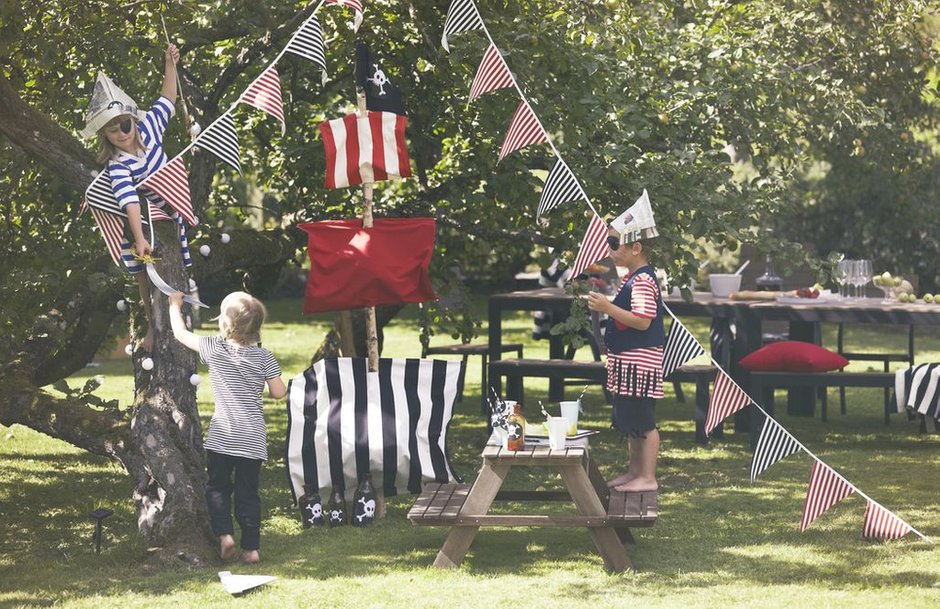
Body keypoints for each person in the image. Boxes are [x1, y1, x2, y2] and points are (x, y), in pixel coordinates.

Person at [81, 44, 188, 351]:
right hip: (144, 213)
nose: (122, 133)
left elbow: (168, 99)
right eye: (112, 131)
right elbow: (127, 197)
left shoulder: (151, 127)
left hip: (171, 203)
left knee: (161, 264)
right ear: (105, 136)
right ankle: (152, 323)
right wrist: (139, 238)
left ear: (132, 119)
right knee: (141, 267)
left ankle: (171, 318)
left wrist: (170, 64)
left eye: (125, 125)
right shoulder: (116, 164)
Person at [168, 291, 287, 563]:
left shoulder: (215, 348)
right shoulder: (265, 357)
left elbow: (180, 334)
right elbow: (278, 392)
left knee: (218, 488)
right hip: (253, 438)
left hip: (223, 436)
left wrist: (175, 305)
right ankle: (252, 549)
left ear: (224, 324)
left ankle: (225, 536)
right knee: (248, 493)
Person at [587, 229, 664, 494]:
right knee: (631, 419)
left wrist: (608, 308)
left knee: (644, 420)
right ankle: (635, 472)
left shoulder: (643, 280)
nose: (609, 250)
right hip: (628, 364)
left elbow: (643, 321)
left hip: (639, 365)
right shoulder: (633, 277)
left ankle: (647, 476)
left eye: (614, 244)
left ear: (636, 248)